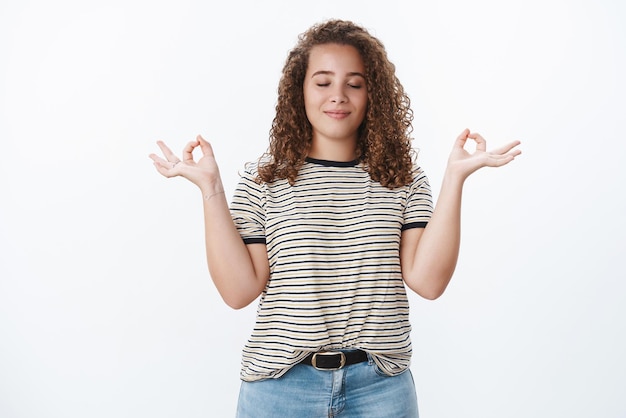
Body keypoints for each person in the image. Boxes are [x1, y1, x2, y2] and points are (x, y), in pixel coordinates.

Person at [149, 19, 520, 418]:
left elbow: (428, 283)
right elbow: (238, 292)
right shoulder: (264, 180)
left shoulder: (402, 178)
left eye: (354, 83)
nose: (338, 96)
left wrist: (455, 178)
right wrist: (211, 190)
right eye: (323, 82)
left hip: (381, 389)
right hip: (281, 389)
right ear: (300, 91)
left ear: (372, 93)